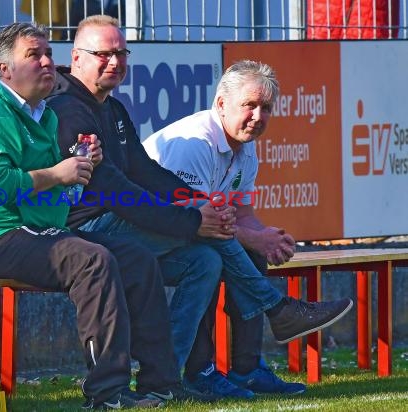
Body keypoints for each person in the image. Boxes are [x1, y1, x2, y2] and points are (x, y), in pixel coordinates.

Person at [46, 15, 353, 399]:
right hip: (84, 236)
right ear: (77, 57)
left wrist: (204, 209)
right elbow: (118, 192)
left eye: (121, 53)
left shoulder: (112, 108)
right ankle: (276, 310)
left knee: (206, 259)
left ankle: (170, 379)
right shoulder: (72, 110)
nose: (115, 61)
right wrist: (196, 218)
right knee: (220, 240)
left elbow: (147, 174)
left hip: (127, 227)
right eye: (103, 54)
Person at [0, 21, 213, 410]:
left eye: (47, 54)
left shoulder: (44, 116)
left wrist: (83, 168)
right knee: (92, 260)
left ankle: (161, 383)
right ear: (4, 70)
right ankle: (107, 392)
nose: (46, 63)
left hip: (40, 230)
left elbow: (65, 192)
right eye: (33, 55)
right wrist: (60, 172)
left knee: (135, 258)